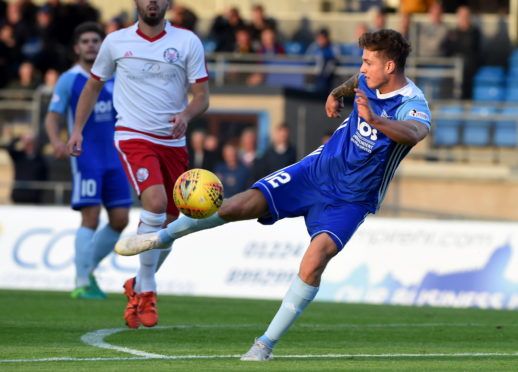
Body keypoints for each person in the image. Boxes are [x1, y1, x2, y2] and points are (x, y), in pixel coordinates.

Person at [115, 29, 430, 361]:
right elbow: (356, 80)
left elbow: (414, 132)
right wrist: (338, 93)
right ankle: (159, 238)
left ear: (391, 66)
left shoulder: (412, 103)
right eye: (362, 62)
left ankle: (263, 346)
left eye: (368, 62)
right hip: (314, 171)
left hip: (352, 198)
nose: (363, 68)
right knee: (238, 205)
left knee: (314, 261)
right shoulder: (369, 79)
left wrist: (376, 120)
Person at [66, 0, 209, 328]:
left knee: (173, 224)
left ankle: (138, 282)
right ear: (136, 3)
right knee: (155, 204)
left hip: (173, 141)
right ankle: (148, 292)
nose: (152, 2)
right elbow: (92, 85)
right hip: (133, 134)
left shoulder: (187, 42)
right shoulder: (116, 41)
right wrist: (76, 130)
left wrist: (186, 115)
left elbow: (202, 95)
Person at [45, 22, 133, 299]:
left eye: (96, 40)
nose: (91, 45)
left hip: (117, 158)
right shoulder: (70, 79)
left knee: (120, 220)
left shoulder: (117, 75)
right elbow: (52, 115)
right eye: (85, 41)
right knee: (91, 217)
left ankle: (87, 268)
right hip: (87, 158)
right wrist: (58, 142)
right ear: (77, 48)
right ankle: (81, 281)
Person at [444, 5, 482, 99]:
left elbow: (472, 48)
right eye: (461, 16)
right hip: (454, 66)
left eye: (466, 16)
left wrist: (457, 47)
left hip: (469, 68)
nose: (463, 18)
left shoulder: (475, 32)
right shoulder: (453, 32)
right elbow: (447, 49)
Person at [1, 129, 48, 204]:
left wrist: (39, 192)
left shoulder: (40, 159)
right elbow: (8, 148)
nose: (28, 144)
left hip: (34, 197)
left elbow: (44, 176)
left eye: (30, 141)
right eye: (26, 141)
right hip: (18, 195)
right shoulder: (19, 156)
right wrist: (19, 138)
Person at [305, 28, 342, 94]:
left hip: (330, 77)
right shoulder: (314, 46)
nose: (321, 40)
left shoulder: (333, 46)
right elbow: (307, 58)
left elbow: (337, 58)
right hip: (314, 76)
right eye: (319, 38)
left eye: (323, 38)